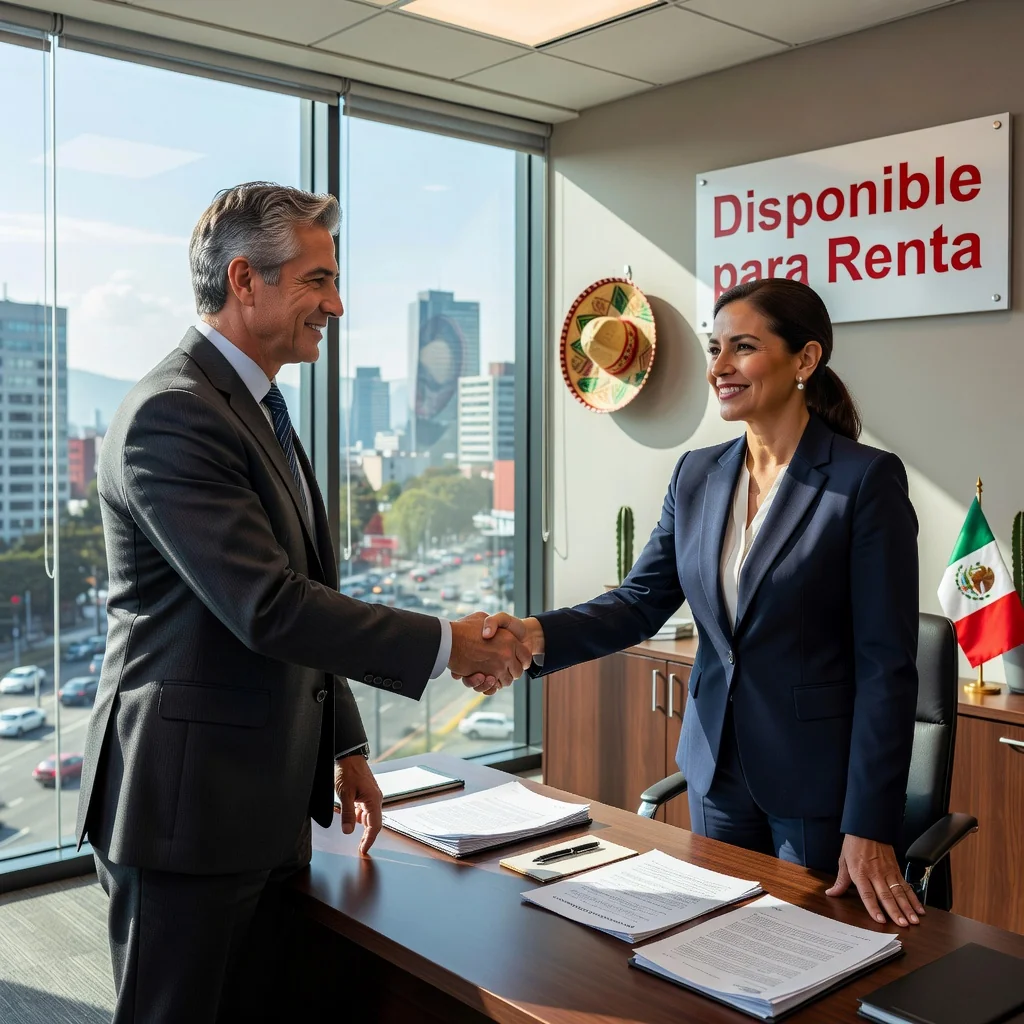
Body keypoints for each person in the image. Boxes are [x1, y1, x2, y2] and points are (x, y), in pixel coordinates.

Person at [76, 181, 531, 1024]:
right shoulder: (174, 413)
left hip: (261, 803)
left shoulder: (256, 408)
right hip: (188, 812)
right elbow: (268, 607)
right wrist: (448, 644)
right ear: (246, 281)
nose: (337, 302)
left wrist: (345, 743)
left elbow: (305, 598)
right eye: (317, 280)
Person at [463, 278, 924, 930]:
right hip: (717, 769)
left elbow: (886, 667)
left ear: (806, 359)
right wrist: (534, 635)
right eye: (715, 349)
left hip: (817, 786)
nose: (719, 368)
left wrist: (869, 824)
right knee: (721, 945)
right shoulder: (697, 475)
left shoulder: (863, 481)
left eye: (742, 347)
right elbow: (639, 601)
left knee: (815, 957)